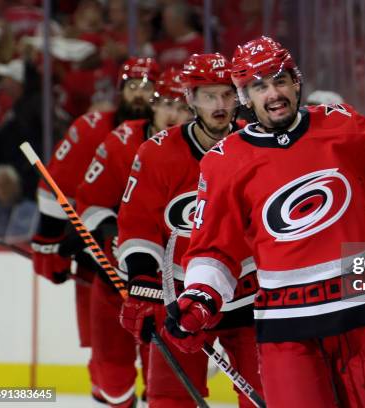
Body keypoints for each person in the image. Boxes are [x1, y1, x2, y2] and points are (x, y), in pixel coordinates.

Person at [164, 36, 365, 407]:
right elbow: (214, 247)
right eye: (259, 86)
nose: (273, 94)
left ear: (296, 82)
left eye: (280, 80)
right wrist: (201, 298)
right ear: (245, 97)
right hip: (287, 327)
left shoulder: (341, 124)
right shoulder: (225, 160)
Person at [117, 53, 262, 408]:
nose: (220, 105)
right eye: (209, 96)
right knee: (169, 399)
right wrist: (142, 283)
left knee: (267, 394)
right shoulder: (156, 154)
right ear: (191, 98)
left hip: (251, 294)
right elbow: (139, 225)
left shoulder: (258, 146)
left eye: (227, 95)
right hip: (182, 298)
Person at [30, 56, 159, 406]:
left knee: (161, 372)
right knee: (110, 372)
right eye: (132, 86)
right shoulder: (91, 128)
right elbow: (56, 191)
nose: (139, 94)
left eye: (148, 87)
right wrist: (50, 243)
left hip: (157, 276)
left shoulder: (174, 138)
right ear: (119, 90)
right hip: (97, 264)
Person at [71, 67, 190, 408]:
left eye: (184, 107)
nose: (175, 115)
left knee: (165, 388)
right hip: (116, 282)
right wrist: (104, 237)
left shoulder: (205, 149)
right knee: (113, 381)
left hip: (172, 289)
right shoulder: (124, 139)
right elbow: (90, 199)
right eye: (168, 104)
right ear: (154, 106)